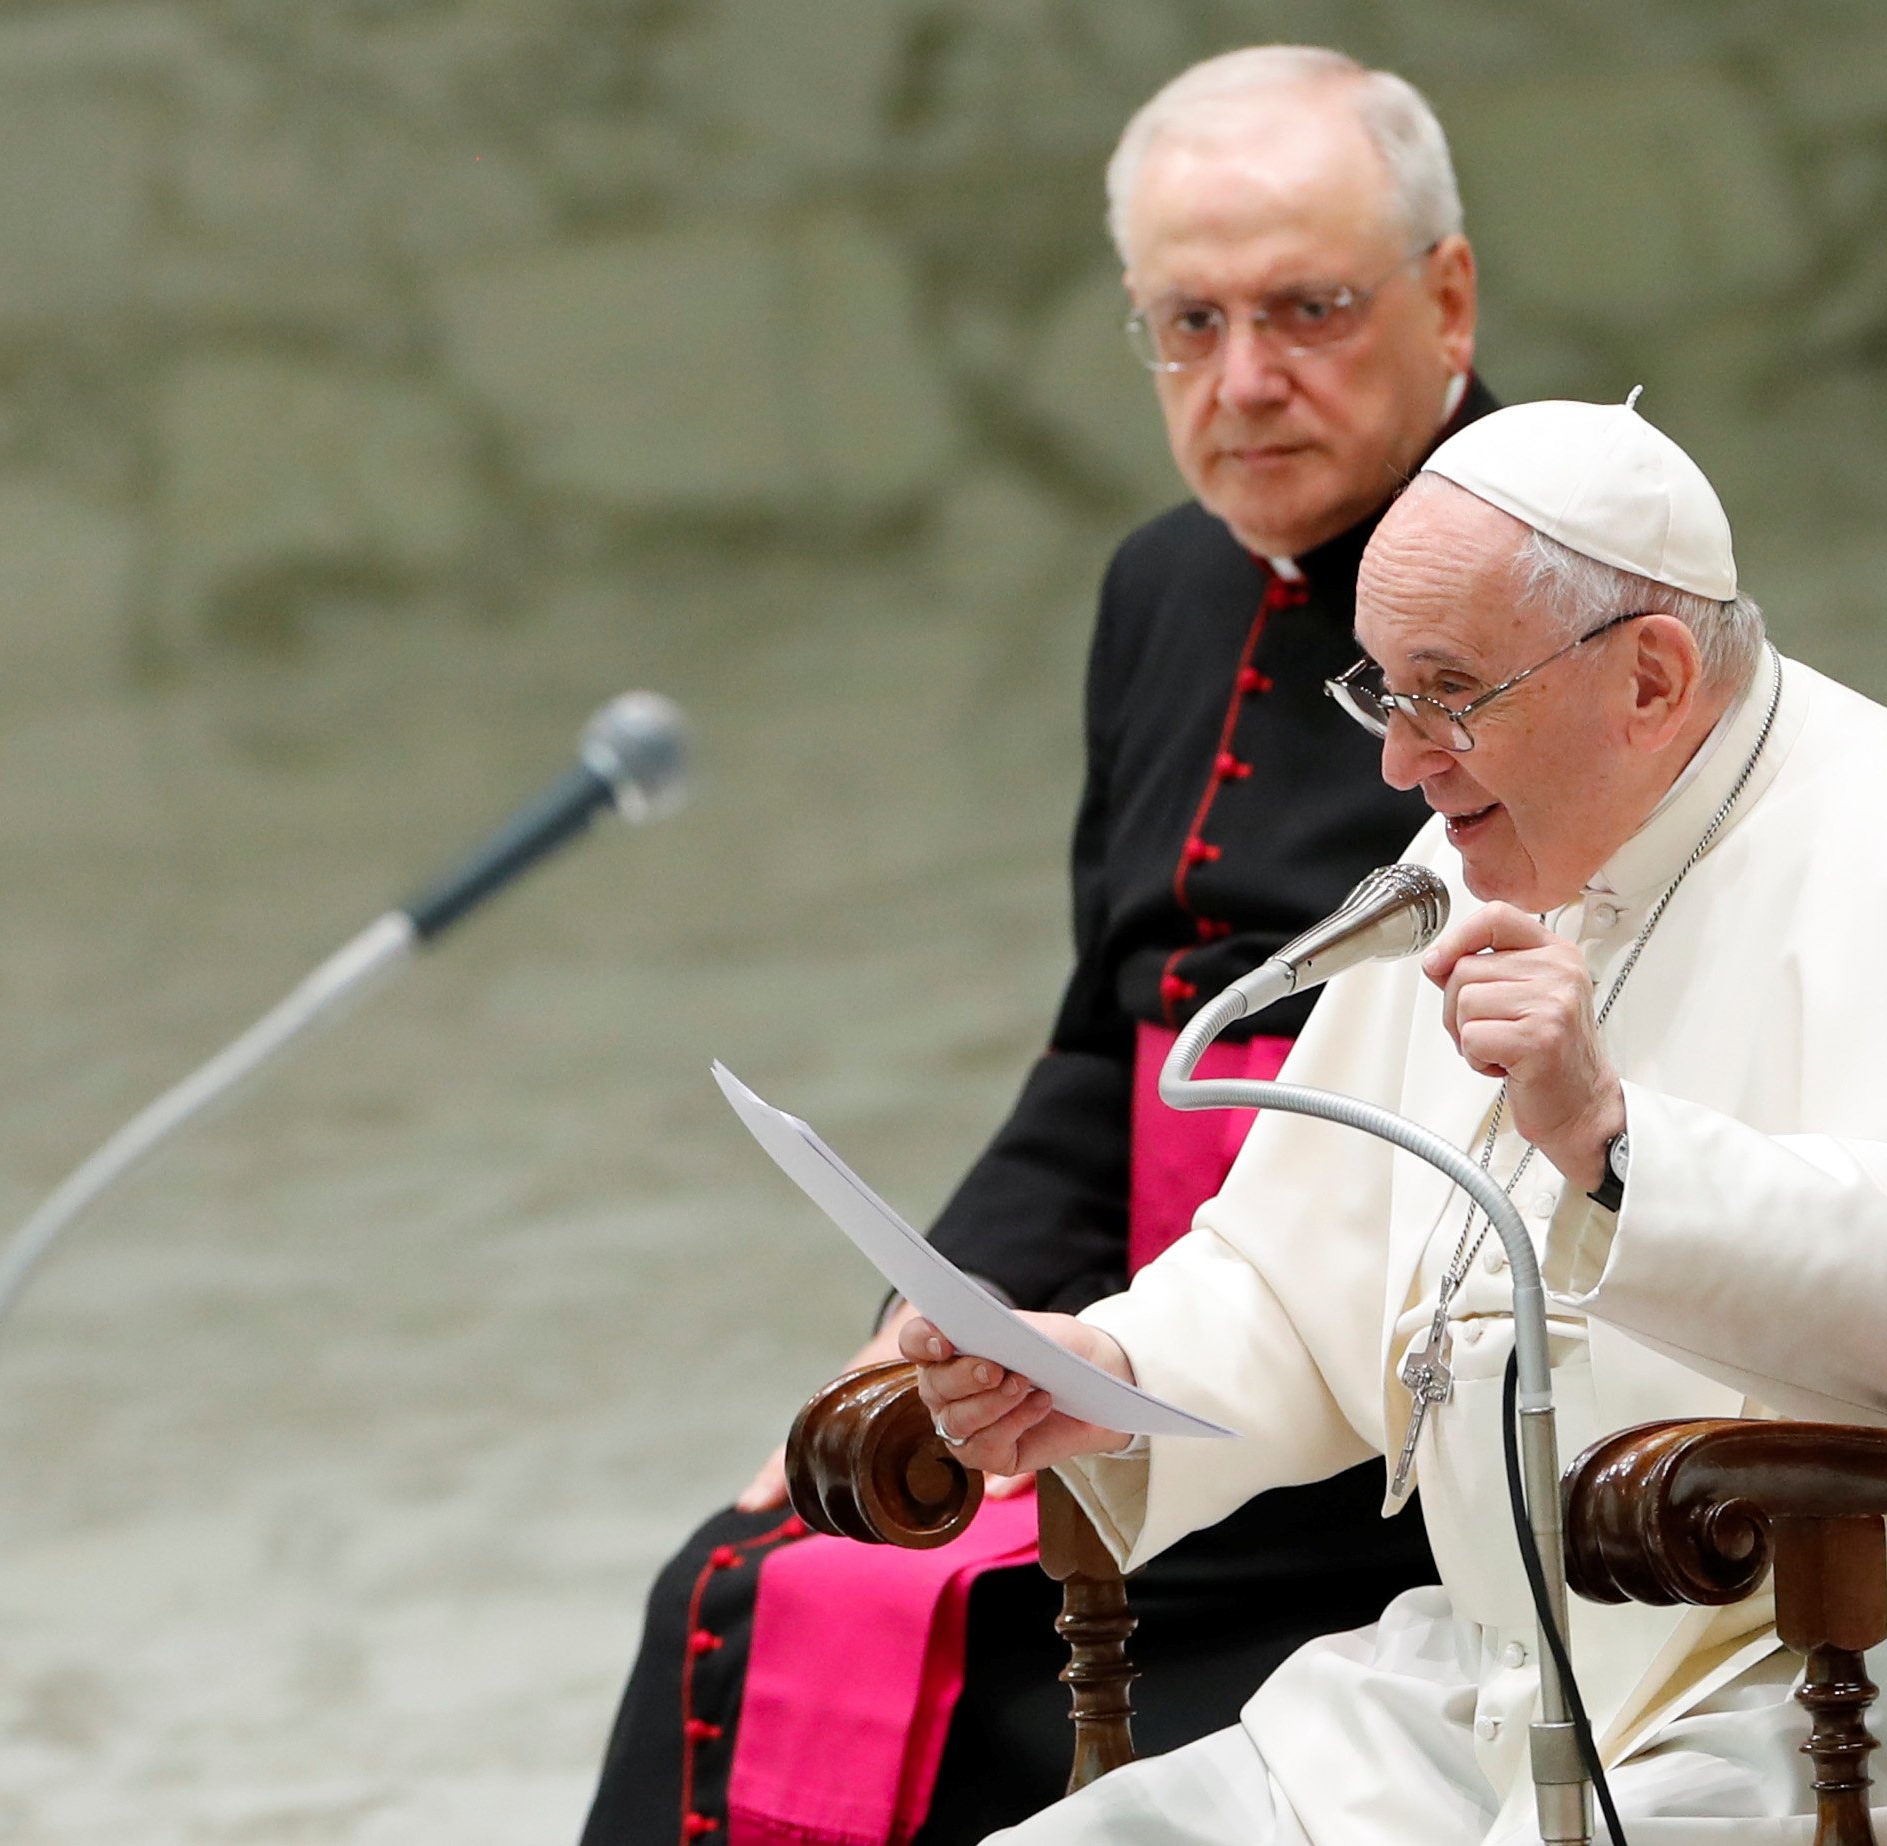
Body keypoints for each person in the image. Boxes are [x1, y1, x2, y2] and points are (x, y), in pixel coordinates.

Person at [910, 397, 1887, 1842]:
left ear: (1649, 678)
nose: (1399, 761)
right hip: (1521, 1683)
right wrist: (1105, 1363)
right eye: (1380, 689)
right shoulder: (1471, 845)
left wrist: (1614, 1146)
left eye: (1446, 691)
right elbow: (1294, 1273)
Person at [582, 46, 1497, 1846]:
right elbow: (1107, 1041)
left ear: (1445, 294)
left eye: (1307, 308)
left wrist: (1139, 1363)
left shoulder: (1537, 587)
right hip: (1102, 1360)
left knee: (982, 1666)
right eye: (1186, 322)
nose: (1245, 381)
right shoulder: (1161, 583)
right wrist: (910, 1335)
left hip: (1358, 1424)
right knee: (740, 1577)